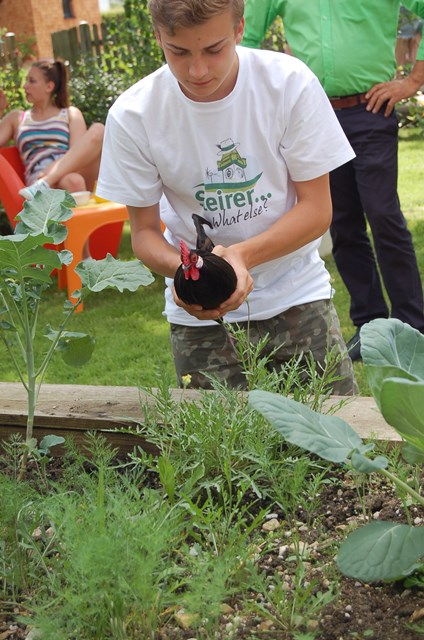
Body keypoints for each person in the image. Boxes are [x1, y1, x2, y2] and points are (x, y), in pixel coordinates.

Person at [96, 0, 358, 395]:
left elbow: (317, 210)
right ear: (158, 36)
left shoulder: (288, 83)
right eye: (178, 52)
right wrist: (187, 273)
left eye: (214, 49)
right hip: (199, 316)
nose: (197, 70)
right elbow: (145, 234)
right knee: (218, 454)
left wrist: (241, 257)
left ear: (239, 29)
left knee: (336, 442)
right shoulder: (134, 114)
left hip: (297, 297)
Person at [242, 0, 424, 361]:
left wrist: (414, 80)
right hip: (313, 116)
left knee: (383, 214)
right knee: (340, 222)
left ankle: (413, 327)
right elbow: (245, 35)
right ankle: (370, 325)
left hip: (372, 109)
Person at [0, 59, 104, 201]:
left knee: (99, 129)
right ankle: (44, 184)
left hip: (64, 173)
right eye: (26, 81)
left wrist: (51, 172)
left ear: (49, 86)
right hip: (36, 182)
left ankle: (46, 181)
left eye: (32, 81)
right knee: (73, 181)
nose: (25, 86)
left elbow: (78, 156)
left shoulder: (70, 114)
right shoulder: (17, 118)